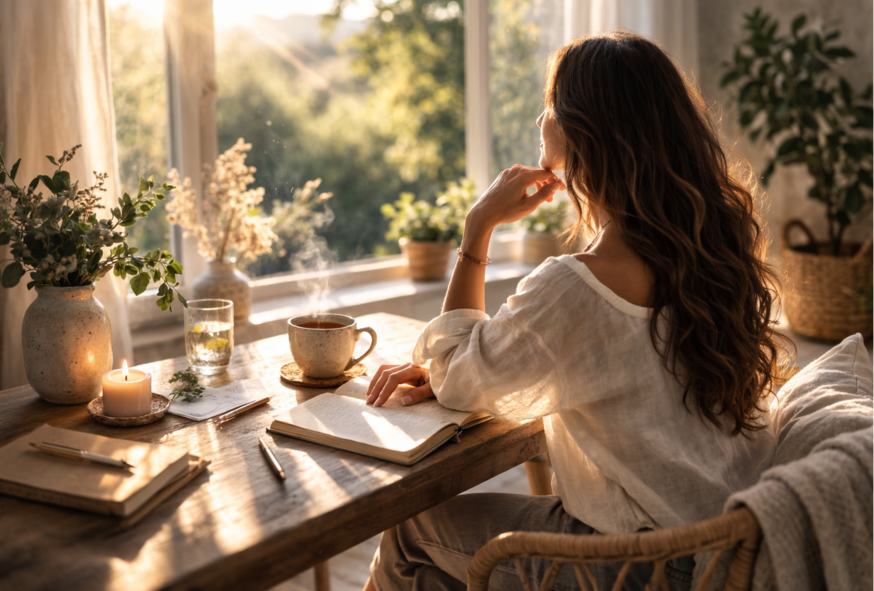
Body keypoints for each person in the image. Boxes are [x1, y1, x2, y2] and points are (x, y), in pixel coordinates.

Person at [362, 31, 787, 591]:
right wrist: (467, 364)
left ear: (582, 128)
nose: (541, 120)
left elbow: (459, 375)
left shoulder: (577, 286)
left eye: (550, 106)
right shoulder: (712, 246)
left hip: (647, 567)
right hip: (725, 550)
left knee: (412, 533)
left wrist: (478, 227)